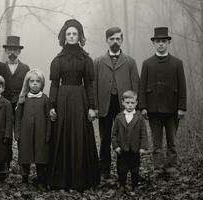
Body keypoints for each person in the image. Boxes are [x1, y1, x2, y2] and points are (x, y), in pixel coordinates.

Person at [47, 19, 100, 190]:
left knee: (80, 135)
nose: (71, 36)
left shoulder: (86, 59)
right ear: (64, 36)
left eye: (74, 33)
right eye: (68, 33)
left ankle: (81, 179)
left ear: (79, 36)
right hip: (62, 100)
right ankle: (61, 179)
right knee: (61, 135)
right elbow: (54, 84)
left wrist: (92, 107)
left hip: (80, 100)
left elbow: (90, 85)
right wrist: (52, 105)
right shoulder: (57, 60)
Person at [139, 27, 186, 176]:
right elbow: (141, 87)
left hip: (172, 109)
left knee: (172, 141)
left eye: (163, 41)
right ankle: (158, 168)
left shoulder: (177, 63)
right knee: (157, 142)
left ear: (168, 43)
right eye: (158, 41)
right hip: (153, 109)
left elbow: (182, 86)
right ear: (154, 43)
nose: (161, 44)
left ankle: (171, 166)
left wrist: (181, 107)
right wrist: (143, 107)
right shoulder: (147, 63)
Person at [93, 27, 140, 179]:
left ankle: (123, 171)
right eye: (111, 39)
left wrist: (135, 107)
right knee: (105, 138)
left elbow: (135, 85)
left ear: (122, 40)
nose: (115, 41)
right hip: (105, 105)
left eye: (118, 38)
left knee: (124, 138)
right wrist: (95, 106)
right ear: (106, 41)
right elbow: (94, 85)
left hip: (124, 107)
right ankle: (104, 170)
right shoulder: (98, 62)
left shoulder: (130, 62)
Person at [15, 69, 51, 190]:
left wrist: (48, 134)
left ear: (42, 83)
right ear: (27, 83)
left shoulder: (45, 99)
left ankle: (41, 181)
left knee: (41, 158)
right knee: (25, 157)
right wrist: (18, 133)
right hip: (25, 134)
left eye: (38, 81)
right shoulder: (23, 99)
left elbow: (48, 119)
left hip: (41, 134)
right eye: (32, 81)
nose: (35, 83)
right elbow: (18, 118)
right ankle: (24, 180)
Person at [112, 90, 148, 193]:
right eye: (127, 103)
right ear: (123, 102)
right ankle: (122, 185)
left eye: (132, 103)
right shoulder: (119, 118)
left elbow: (143, 134)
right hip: (122, 149)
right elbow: (114, 134)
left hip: (135, 149)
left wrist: (142, 147)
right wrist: (116, 146)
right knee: (121, 169)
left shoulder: (139, 118)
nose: (130, 105)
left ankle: (135, 186)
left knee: (135, 169)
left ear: (136, 103)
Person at [2, 35, 30, 170]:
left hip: (21, 107)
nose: (12, 53)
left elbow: (29, 88)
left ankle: (23, 168)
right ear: (5, 51)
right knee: (5, 137)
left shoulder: (25, 68)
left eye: (15, 50)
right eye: (9, 50)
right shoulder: (0, 67)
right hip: (4, 108)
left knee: (21, 137)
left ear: (19, 52)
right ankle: (5, 168)